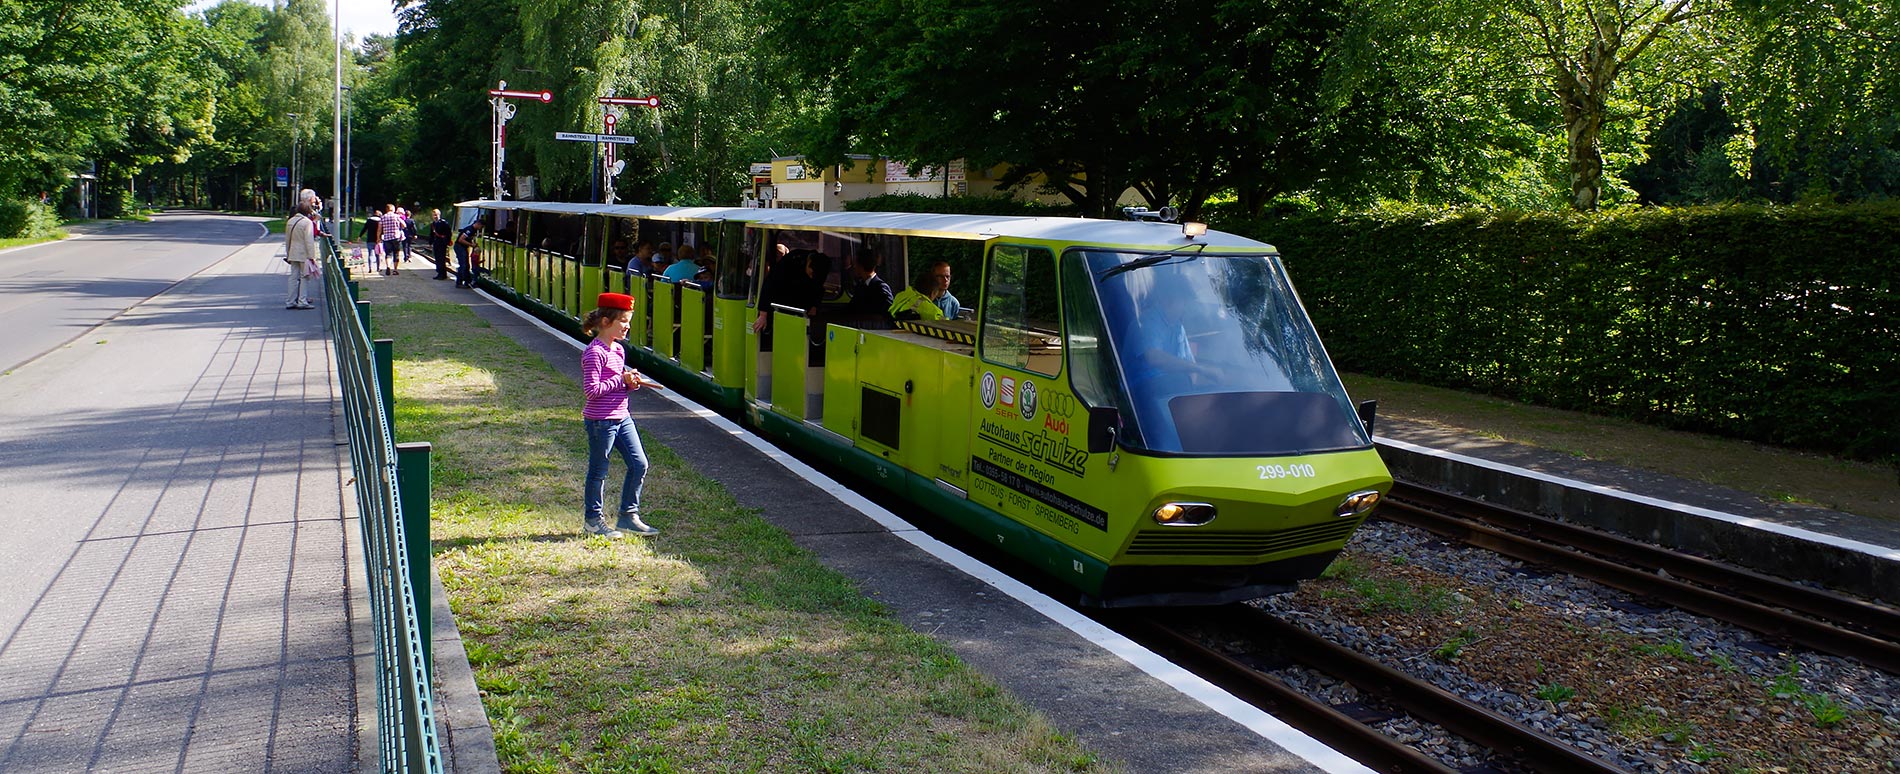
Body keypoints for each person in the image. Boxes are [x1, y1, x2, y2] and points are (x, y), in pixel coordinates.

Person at [580, 292, 663, 538]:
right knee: (599, 470)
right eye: (624, 321)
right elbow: (591, 391)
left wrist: (630, 383)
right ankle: (593, 521)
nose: (628, 326)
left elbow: (617, 383)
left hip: (622, 416)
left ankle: (628, 516)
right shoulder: (595, 353)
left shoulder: (618, 350)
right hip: (601, 421)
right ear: (606, 322)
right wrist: (620, 380)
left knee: (639, 463)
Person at [283, 189, 322, 310]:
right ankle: (302, 301)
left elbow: (287, 239)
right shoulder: (307, 223)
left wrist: (288, 252)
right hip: (304, 253)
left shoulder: (290, 221)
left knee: (293, 277)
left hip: (293, 252)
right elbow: (309, 241)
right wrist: (312, 256)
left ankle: (290, 300)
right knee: (304, 276)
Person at [890, 259, 955, 321]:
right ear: (932, 293)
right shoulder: (931, 310)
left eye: (948, 276)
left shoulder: (902, 296)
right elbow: (944, 324)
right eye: (940, 276)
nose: (945, 280)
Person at [846, 247, 893, 320]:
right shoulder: (860, 286)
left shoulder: (881, 288)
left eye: (855, 263)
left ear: (860, 266)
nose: (854, 267)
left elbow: (886, 315)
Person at [453, 219, 485, 288]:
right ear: (478, 224)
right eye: (481, 227)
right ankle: (459, 282)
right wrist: (471, 245)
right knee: (463, 264)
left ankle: (467, 281)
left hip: (463, 247)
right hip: (460, 247)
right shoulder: (470, 230)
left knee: (466, 265)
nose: (481, 228)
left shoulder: (473, 230)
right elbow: (461, 239)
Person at [378, 205, 404, 276]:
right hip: (396, 237)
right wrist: (399, 227)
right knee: (396, 254)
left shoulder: (383, 217)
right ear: (392, 209)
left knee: (388, 254)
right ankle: (395, 270)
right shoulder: (396, 216)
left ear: (386, 209)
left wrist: (378, 237)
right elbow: (404, 225)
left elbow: (379, 229)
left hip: (386, 238)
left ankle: (388, 267)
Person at [429, 209, 452, 280]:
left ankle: (442, 274)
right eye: (434, 215)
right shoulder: (433, 224)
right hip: (436, 243)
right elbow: (431, 234)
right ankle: (440, 273)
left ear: (439, 215)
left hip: (442, 243)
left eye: (436, 215)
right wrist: (430, 242)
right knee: (437, 258)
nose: (435, 216)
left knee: (441, 258)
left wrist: (446, 241)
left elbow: (448, 233)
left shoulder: (443, 223)